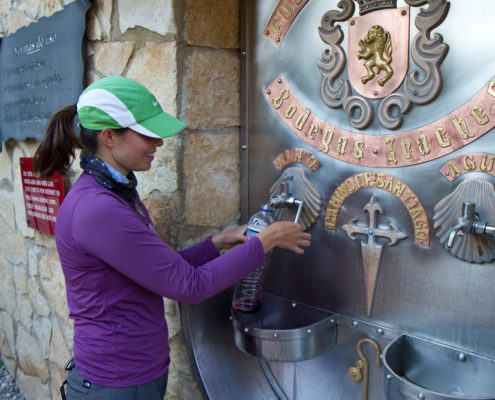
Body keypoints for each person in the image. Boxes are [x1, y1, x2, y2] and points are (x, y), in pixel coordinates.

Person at [32, 76, 311, 400]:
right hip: (118, 381)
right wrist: (266, 242)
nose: (158, 143)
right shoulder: (98, 209)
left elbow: (159, 270)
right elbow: (189, 287)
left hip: (131, 374)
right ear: (109, 137)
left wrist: (217, 243)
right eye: (147, 133)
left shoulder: (116, 191)